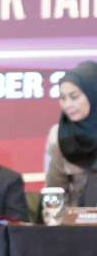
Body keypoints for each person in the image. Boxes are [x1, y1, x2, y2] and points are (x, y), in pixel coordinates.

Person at [45, 61, 97, 207]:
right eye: (63, 98)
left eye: (74, 97)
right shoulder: (60, 136)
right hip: (78, 222)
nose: (67, 105)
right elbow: (54, 191)